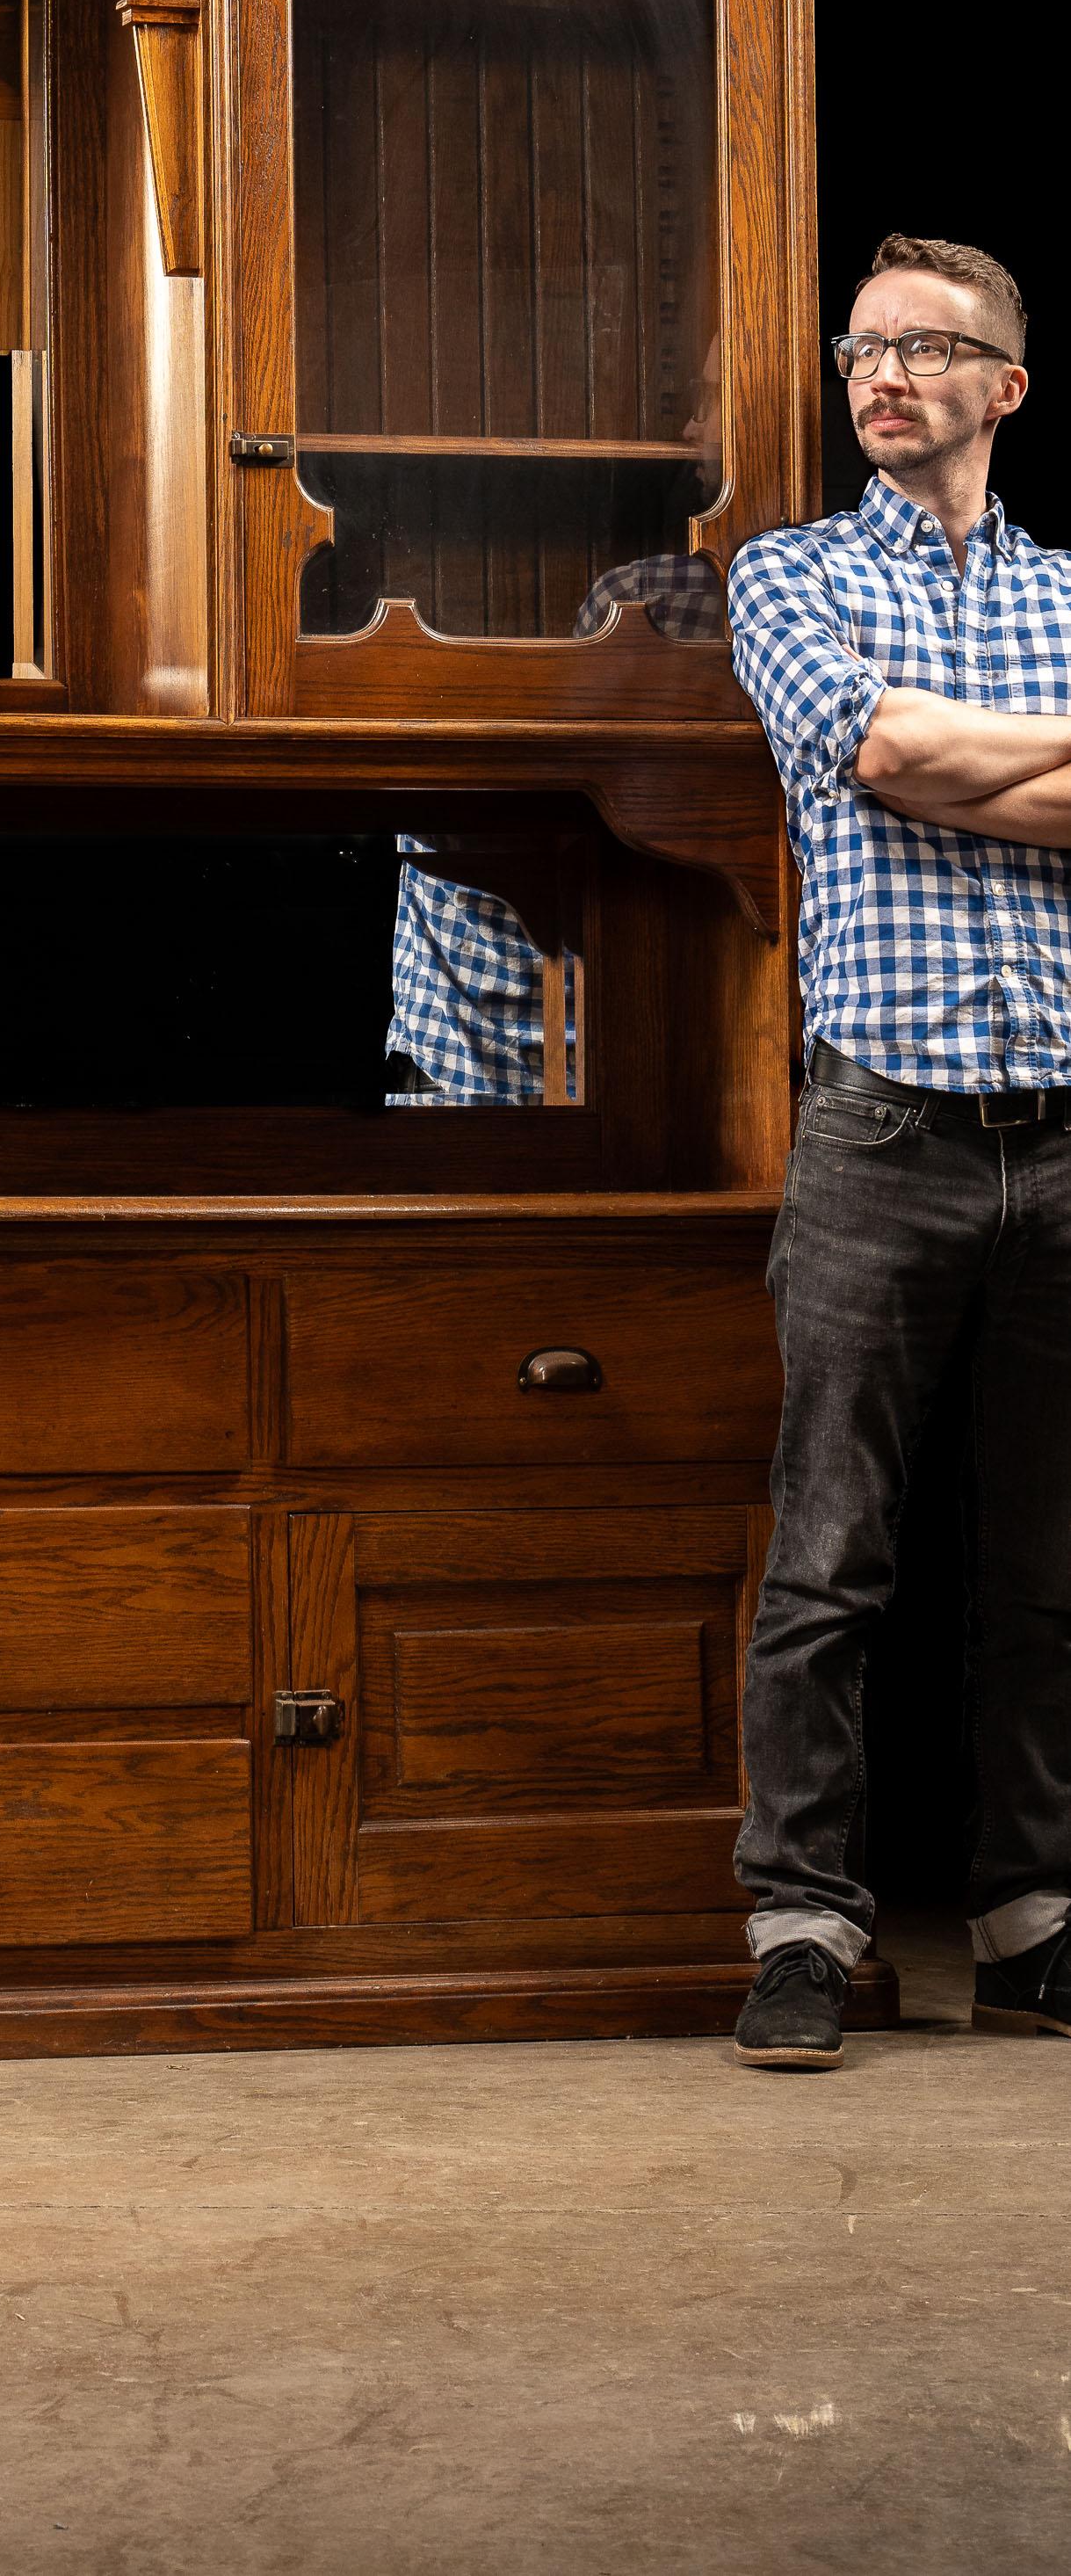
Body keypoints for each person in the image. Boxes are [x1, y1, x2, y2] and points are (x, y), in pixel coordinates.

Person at [725, 234, 1068, 2066]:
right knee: (831, 1560)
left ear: (1004, 385)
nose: (881, 372)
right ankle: (802, 1920)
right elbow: (879, 756)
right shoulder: (787, 574)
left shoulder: (1068, 591)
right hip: (878, 1130)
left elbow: (937, 758)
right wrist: (963, 760)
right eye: (861, 347)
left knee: (1048, 1570)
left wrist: (954, 756)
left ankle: (1030, 1923)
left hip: (1063, 1138)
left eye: (926, 347)